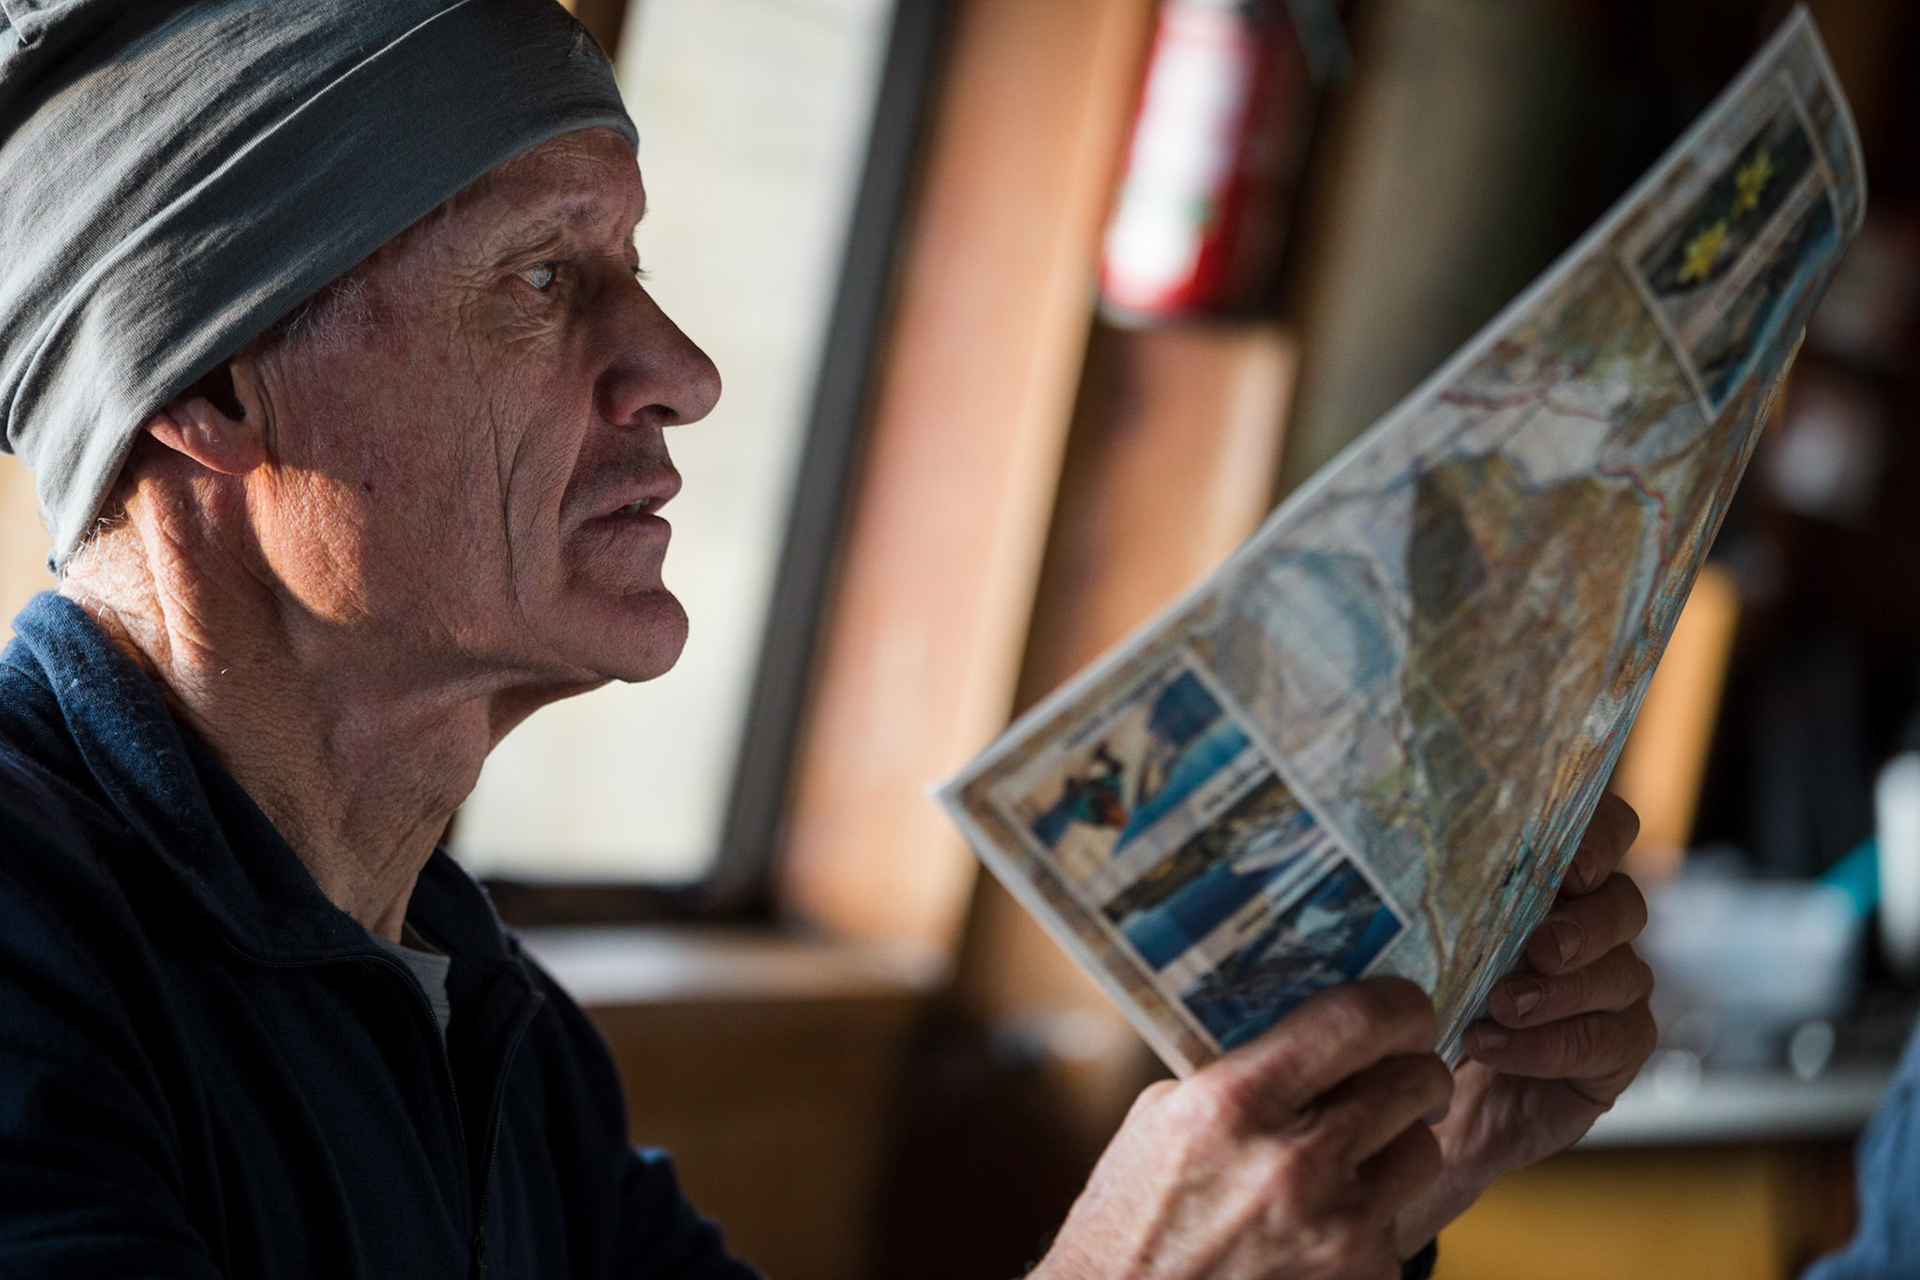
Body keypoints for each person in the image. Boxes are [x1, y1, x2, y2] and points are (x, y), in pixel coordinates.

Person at [0, 3, 1655, 1277]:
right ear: (209, 386)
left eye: (631, 264)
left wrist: (1378, 1166)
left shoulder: (487, 1023)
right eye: (543, 279)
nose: (681, 370)